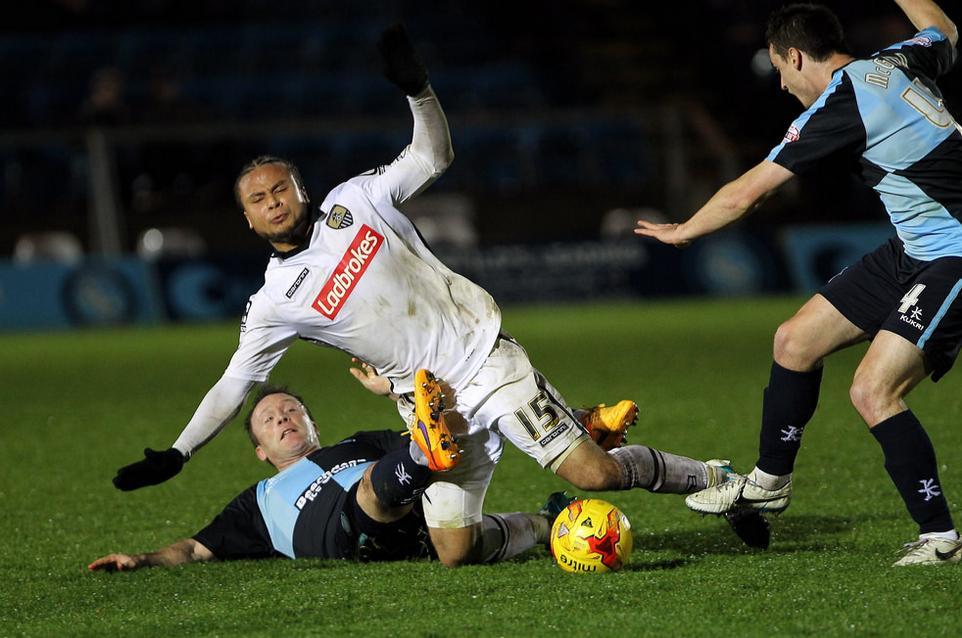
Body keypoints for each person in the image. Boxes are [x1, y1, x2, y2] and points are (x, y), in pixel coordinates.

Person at [112, 24, 763, 566]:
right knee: (454, 549)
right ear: (248, 220)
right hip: (430, 413)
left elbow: (434, 154)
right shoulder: (275, 300)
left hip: (482, 358)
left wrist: (417, 91)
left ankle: (719, 481)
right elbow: (233, 385)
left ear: (302, 191)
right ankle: (547, 518)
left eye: (280, 189)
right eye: (258, 199)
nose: (272, 201)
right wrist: (178, 452)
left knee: (593, 472)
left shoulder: (355, 201)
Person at [636, 0, 961, 566]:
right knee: (795, 340)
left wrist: (684, 230)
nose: (784, 87)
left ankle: (941, 539)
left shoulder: (843, 99)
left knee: (873, 391)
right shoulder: (898, 60)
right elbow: (944, 29)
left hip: (954, 254)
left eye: (782, 72)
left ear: (794, 54)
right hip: (915, 248)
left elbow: (749, 191)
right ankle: (769, 481)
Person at [91, 385, 554, 570]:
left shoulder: (358, 444)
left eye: (292, 411)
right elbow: (194, 548)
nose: (283, 418)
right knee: (373, 488)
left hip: (411, 516)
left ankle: (549, 522)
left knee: (468, 541)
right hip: (354, 531)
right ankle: (420, 458)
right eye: (269, 420)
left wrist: (398, 395)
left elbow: (456, 434)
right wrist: (143, 559)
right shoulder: (256, 502)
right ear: (260, 451)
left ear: (314, 425)